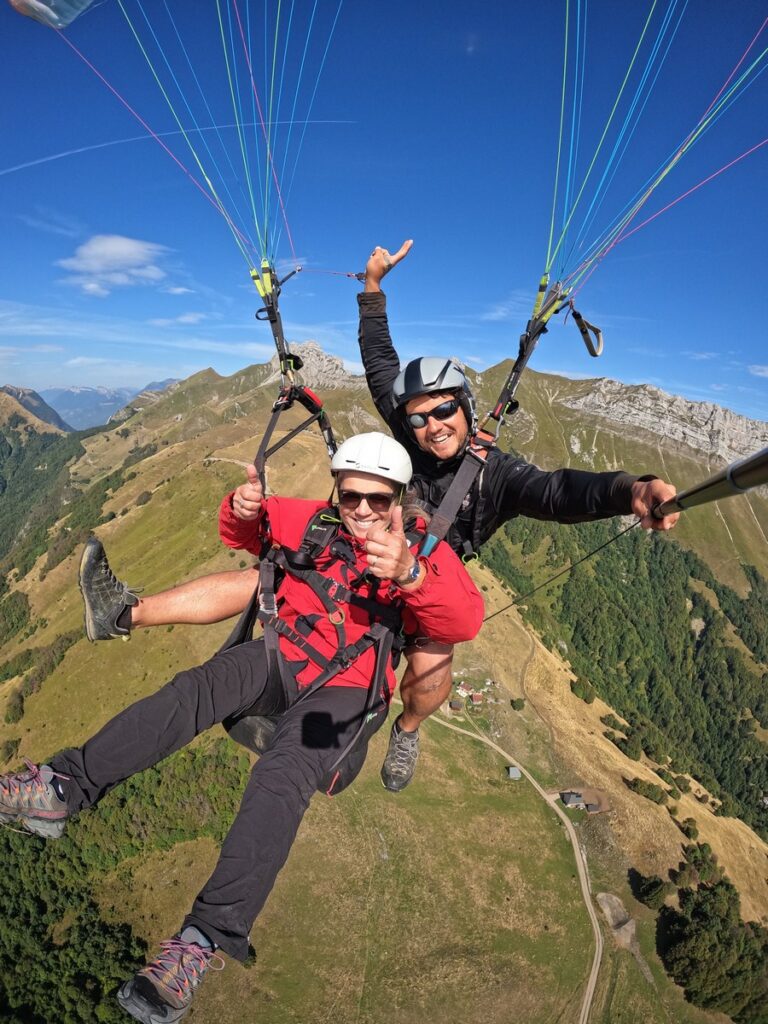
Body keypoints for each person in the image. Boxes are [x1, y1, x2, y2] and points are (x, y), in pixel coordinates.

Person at [78, 240, 679, 794]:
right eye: (418, 418)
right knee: (262, 577)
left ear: (467, 409)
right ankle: (122, 612)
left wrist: (632, 490)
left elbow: (558, 492)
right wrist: (371, 288)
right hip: (357, 553)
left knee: (431, 672)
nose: (431, 426)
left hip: (422, 581)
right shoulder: (407, 430)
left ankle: (408, 731)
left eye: (444, 411)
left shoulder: (496, 475)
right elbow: (379, 363)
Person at [0, 432, 484, 1024]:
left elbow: (463, 618)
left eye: (377, 500)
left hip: (345, 692)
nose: (361, 510)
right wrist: (243, 508)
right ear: (338, 490)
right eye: (351, 495)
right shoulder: (316, 521)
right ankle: (58, 789)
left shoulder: (426, 554)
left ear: (398, 499)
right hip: (283, 654)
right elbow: (245, 536)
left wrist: (411, 574)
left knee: (283, 776)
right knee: (192, 691)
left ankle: (202, 942)